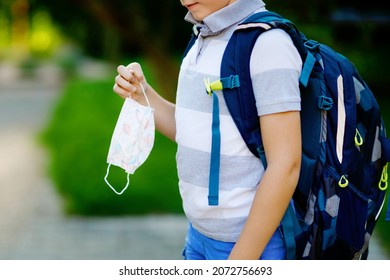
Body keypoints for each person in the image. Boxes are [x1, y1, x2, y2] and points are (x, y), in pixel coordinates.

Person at [113, 0, 302, 260]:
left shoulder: (268, 44)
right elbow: (192, 129)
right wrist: (143, 94)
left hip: (249, 245)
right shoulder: (203, 34)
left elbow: (286, 165)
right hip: (199, 237)